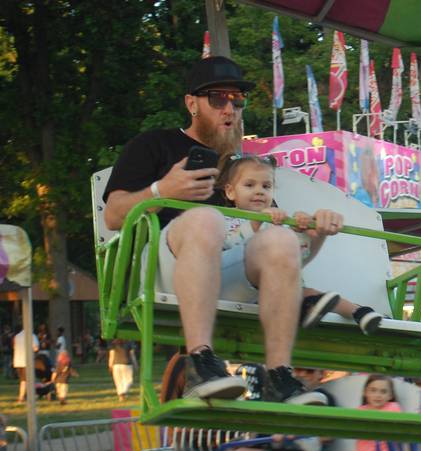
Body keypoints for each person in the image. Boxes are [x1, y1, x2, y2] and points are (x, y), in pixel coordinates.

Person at [103, 55, 342, 403]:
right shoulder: (154, 144)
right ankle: (200, 362)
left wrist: (314, 233)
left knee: (278, 237)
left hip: (229, 277)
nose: (229, 108)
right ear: (192, 104)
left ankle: (279, 376)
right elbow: (112, 215)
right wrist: (162, 191)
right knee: (205, 218)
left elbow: (284, 258)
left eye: (237, 99)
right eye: (217, 99)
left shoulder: (245, 169)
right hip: (162, 269)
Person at [216, 154, 383, 334]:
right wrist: (256, 224)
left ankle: (360, 312)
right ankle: (312, 307)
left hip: (279, 288)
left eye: (266, 186)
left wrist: (303, 232)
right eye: (250, 185)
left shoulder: (276, 221)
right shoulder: (226, 218)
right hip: (240, 288)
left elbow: (298, 256)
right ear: (230, 191)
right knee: (305, 293)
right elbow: (229, 245)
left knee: (307, 291)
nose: (259, 191)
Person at [13, 325, 40, 403]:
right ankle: (26, 397)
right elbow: (36, 348)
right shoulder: (32, 336)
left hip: (18, 361)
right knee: (28, 380)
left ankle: (23, 396)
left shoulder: (17, 336)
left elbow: (14, 347)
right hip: (27, 361)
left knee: (23, 380)